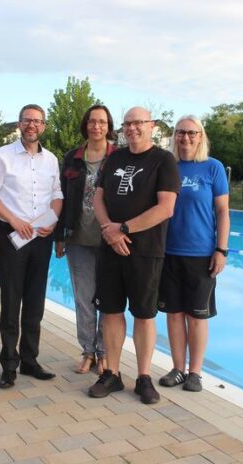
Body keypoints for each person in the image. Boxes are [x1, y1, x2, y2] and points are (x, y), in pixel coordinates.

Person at [89, 107, 180, 404]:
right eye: (127, 124)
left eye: (138, 123)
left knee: (144, 314)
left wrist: (124, 229)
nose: (132, 129)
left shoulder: (163, 160)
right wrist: (108, 230)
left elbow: (166, 207)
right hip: (110, 249)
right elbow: (98, 197)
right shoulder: (114, 157)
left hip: (146, 251)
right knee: (111, 311)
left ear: (151, 126)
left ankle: (143, 377)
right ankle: (112, 375)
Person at [0, 104, 63, 389]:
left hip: (41, 238)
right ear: (19, 124)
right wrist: (13, 220)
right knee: (11, 301)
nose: (32, 126)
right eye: (27, 120)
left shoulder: (51, 159)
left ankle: (30, 360)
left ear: (44, 126)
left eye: (37, 121)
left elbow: (57, 193)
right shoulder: (3, 156)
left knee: (35, 302)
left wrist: (53, 220)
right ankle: (9, 364)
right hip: (11, 237)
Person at [157, 115, 230, 393]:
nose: (185, 137)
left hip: (201, 253)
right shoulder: (168, 167)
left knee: (197, 316)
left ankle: (195, 372)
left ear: (200, 136)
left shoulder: (213, 168)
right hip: (168, 252)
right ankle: (177, 368)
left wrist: (221, 249)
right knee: (174, 313)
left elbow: (223, 212)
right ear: (174, 136)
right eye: (180, 132)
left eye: (191, 133)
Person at [54, 105, 116, 375]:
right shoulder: (72, 158)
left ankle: (104, 353)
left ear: (108, 126)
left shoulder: (119, 158)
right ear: (85, 125)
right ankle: (88, 352)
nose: (96, 126)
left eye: (102, 122)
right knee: (84, 298)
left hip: (108, 240)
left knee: (108, 298)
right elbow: (61, 197)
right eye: (92, 121)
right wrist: (59, 236)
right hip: (78, 238)